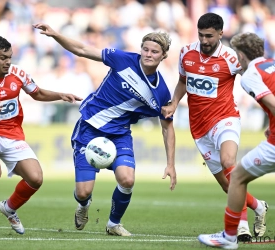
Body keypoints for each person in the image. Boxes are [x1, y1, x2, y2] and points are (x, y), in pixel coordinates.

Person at [33, 23, 177, 236]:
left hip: (119, 134)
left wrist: (170, 164)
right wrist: (55, 35)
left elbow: (167, 127)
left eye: (154, 51)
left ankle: (113, 223)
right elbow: (82, 50)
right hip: (90, 127)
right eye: (145, 49)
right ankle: (83, 205)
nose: (148, 54)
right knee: (84, 192)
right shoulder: (122, 59)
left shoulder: (161, 92)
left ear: (163, 56)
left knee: (127, 179)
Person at [161, 12, 268, 241]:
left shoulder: (231, 58)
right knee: (227, 185)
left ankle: (240, 227)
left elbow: (254, 78)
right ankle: (258, 205)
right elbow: (183, 81)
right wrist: (173, 103)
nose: (204, 40)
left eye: (209, 36)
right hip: (199, 127)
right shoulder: (186, 52)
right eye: (201, 35)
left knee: (229, 162)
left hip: (225, 118)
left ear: (220, 33)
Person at [0, 36, 82, 239]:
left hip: (12, 133)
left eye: (10, 57)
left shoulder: (18, 73)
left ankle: (9, 207)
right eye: (2, 58)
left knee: (35, 178)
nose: (8, 62)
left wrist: (61, 95)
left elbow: (37, 93)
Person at [198, 32, 275, 249]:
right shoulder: (272, 64)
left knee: (237, 177)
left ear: (240, 54)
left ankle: (229, 237)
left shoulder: (251, 75)